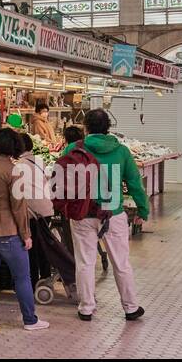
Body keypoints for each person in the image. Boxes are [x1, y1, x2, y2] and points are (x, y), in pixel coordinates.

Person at [62, 108, 148, 322]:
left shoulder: (74, 148)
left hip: (82, 213)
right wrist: (143, 209)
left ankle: (86, 308)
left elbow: (61, 178)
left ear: (86, 127)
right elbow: (134, 183)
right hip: (113, 213)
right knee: (121, 262)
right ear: (108, 127)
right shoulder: (121, 151)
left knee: (85, 262)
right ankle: (130, 307)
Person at [0, 129, 47, 331]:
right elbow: (18, 207)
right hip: (7, 231)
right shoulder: (14, 171)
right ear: (14, 147)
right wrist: (26, 235)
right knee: (22, 277)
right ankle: (30, 320)